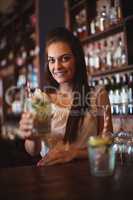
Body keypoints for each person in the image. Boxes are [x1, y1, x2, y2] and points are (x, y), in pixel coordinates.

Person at [19, 27, 113, 166]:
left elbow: (107, 146)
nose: (57, 66)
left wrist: (74, 153)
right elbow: (33, 151)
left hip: (87, 177)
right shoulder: (43, 100)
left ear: (77, 59)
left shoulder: (98, 95)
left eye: (65, 58)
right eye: (52, 60)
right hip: (51, 179)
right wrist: (32, 138)